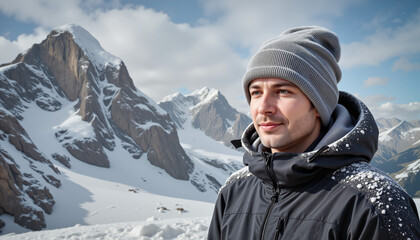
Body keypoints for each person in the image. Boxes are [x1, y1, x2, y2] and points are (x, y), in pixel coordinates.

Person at [208, 26, 420, 240]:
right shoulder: (234, 190)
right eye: (256, 92)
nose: (264, 107)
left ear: (319, 106)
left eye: (283, 91)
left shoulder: (375, 202)